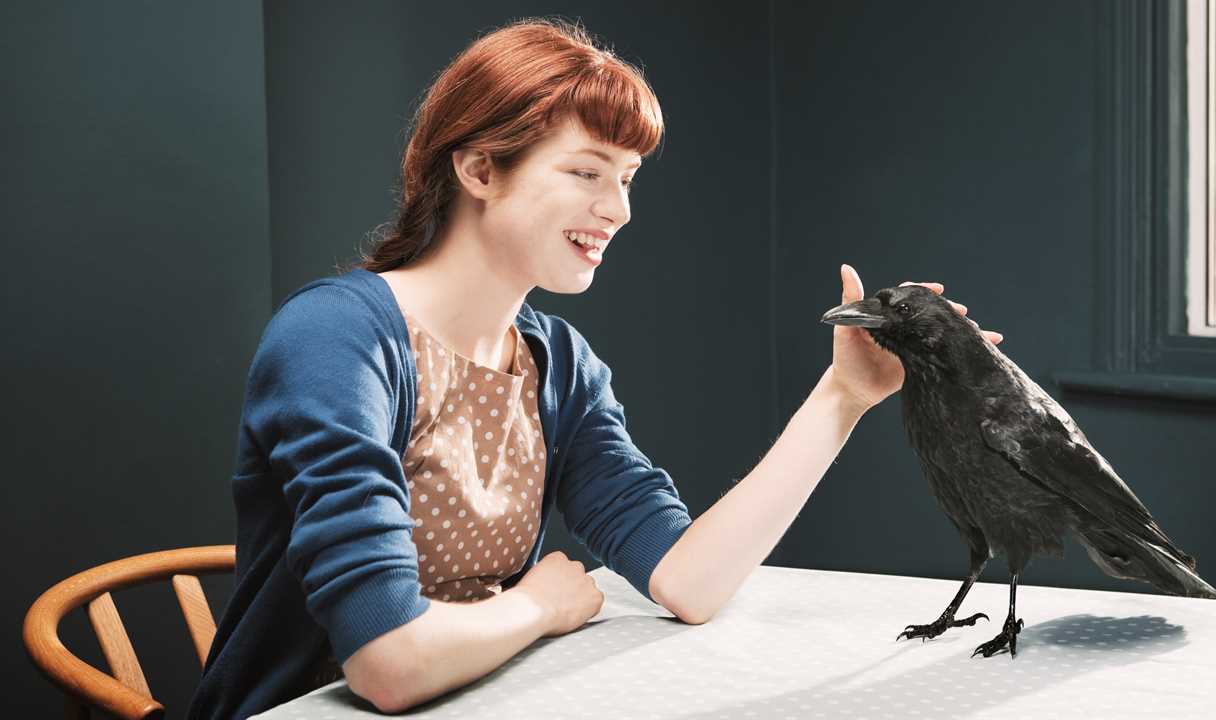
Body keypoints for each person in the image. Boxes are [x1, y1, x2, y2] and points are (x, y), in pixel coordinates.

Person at [188, 16, 1003, 719]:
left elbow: (688, 580)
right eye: (585, 173)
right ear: (477, 170)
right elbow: (389, 663)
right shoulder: (336, 338)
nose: (618, 210)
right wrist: (538, 607)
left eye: (627, 179)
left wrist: (843, 398)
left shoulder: (557, 363)